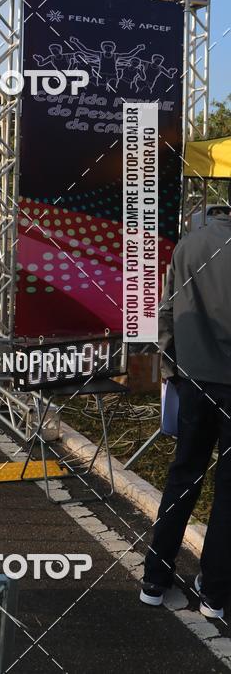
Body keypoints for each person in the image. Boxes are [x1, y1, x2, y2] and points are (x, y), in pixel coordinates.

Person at [140, 208, 231, 618]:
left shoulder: (188, 246)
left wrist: (173, 368)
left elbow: (166, 313)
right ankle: (214, 594)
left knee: (183, 476)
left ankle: (154, 580)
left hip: (193, 381)